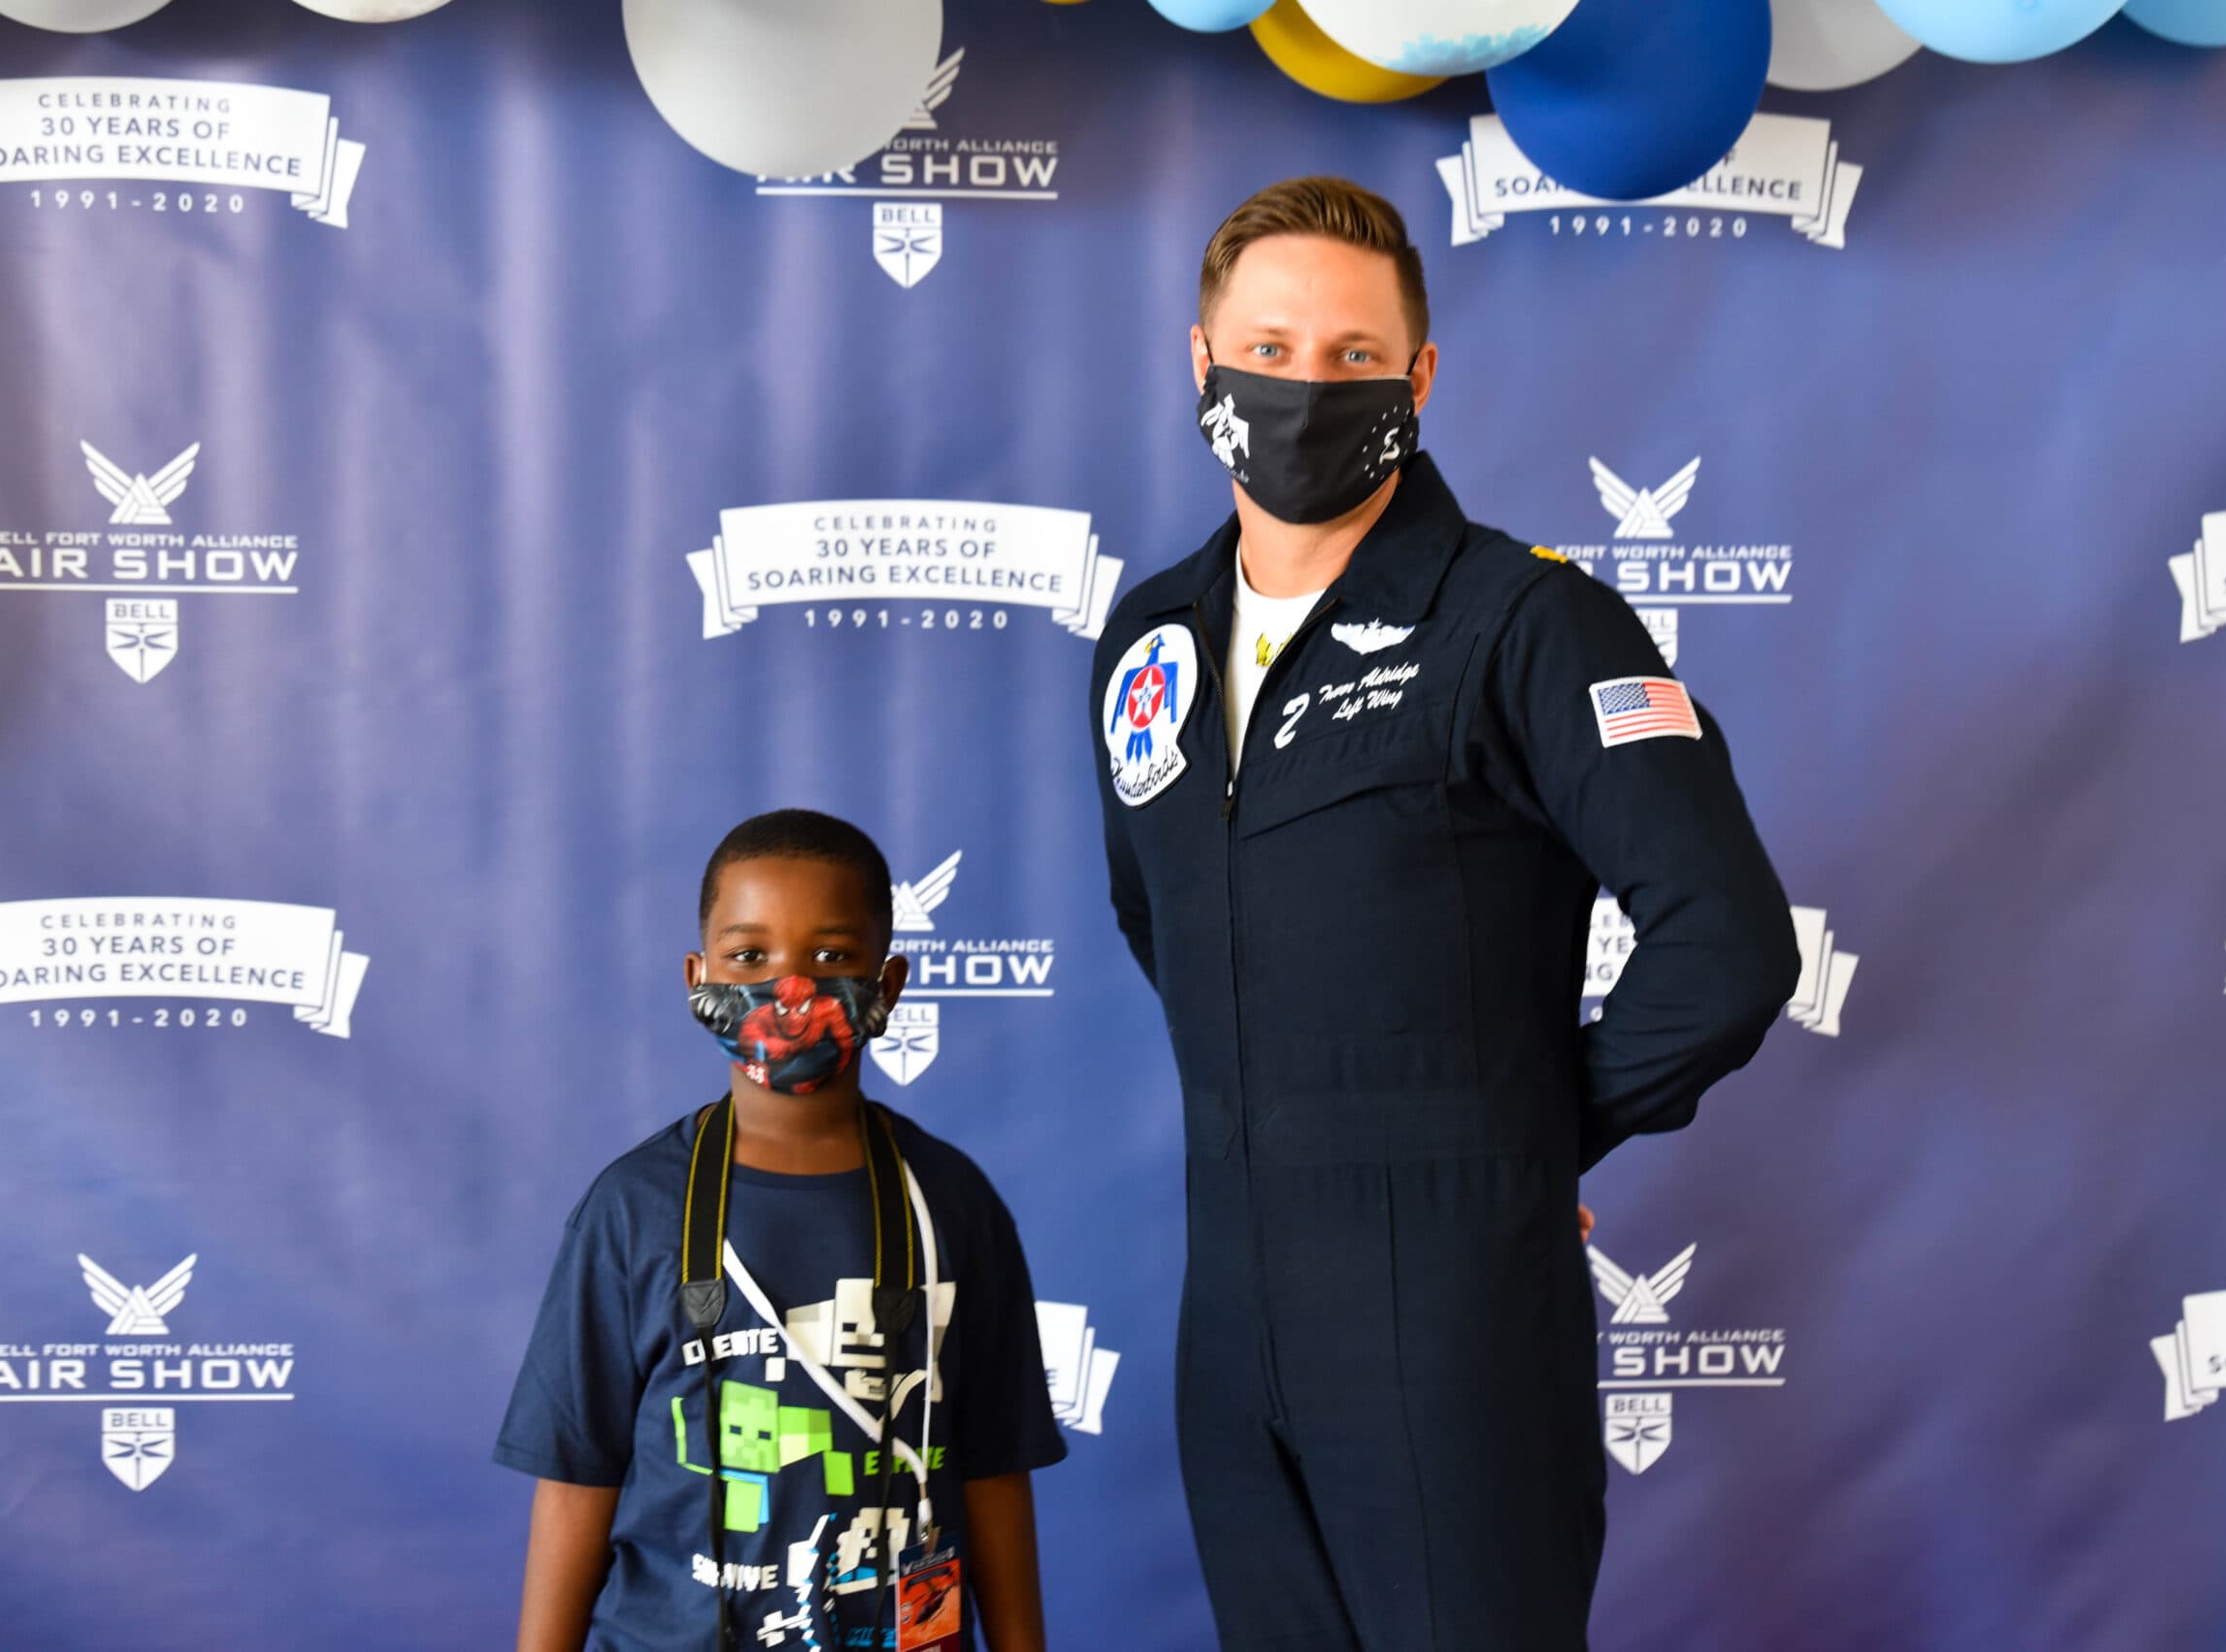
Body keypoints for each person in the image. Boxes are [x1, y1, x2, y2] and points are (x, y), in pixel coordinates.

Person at [1089, 177, 1801, 1650]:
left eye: (1354, 357)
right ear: (1200, 361)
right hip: (1229, 1318)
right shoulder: (1151, 632)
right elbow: (1164, 921)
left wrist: (1517, 1144)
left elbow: (1726, 940)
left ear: (1420, 378)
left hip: (1453, 1320)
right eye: (1270, 348)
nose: (1306, 387)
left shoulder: (1528, 622)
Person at [497, 809, 1063, 1652]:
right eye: (749, 956)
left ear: (890, 983)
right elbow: (579, 1480)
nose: (789, 988)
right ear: (698, 977)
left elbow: (991, 1467)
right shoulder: (632, 1207)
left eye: (831, 957)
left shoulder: (952, 1201)